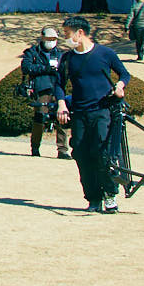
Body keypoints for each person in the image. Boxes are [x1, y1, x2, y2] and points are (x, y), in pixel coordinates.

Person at [54, 15, 130, 213]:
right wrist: (61, 105)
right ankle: (93, 197)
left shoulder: (105, 53)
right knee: (80, 153)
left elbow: (124, 74)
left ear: (80, 33)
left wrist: (120, 86)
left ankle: (110, 195)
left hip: (102, 111)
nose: (66, 38)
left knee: (102, 154)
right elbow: (59, 85)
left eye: (67, 33)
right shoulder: (68, 58)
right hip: (79, 113)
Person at [20, 27, 68, 159]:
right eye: (48, 39)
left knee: (62, 117)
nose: (51, 42)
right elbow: (26, 67)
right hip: (41, 88)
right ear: (42, 38)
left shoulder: (60, 54)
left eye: (54, 39)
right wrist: (45, 68)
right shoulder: (33, 52)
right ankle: (35, 148)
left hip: (58, 88)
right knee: (40, 117)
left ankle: (62, 150)